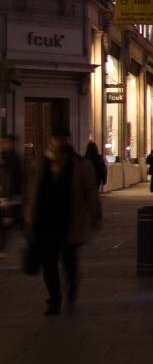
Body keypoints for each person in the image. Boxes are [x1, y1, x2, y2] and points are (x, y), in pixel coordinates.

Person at [24, 126, 100, 315]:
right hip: (44, 223)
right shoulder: (40, 163)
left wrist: (95, 213)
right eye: (56, 139)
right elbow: (31, 193)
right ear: (51, 140)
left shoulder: (81, 165)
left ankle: (72, 289)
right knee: (49, 264)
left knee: (69, 262)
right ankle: (54, 299)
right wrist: (27, 217)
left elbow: (91, 191)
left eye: (63, 139)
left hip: (69, 222)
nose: (60, 143)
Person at [1, 134, 24, 247]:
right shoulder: (3, 157)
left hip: (12, 194)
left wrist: (16, 194)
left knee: (13, 218)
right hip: (5, 194)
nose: (4, 144)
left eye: (6, 142)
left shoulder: (15, 158)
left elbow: (17, 177)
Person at [82, 142, 106, 221]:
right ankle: (95, 211)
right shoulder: (99, 158)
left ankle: (87, 211)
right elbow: (103, 170)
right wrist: (104, 179)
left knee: (86, 195)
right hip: (96, 179)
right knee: (94, 194)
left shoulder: (85, 158)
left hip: (87, 180)